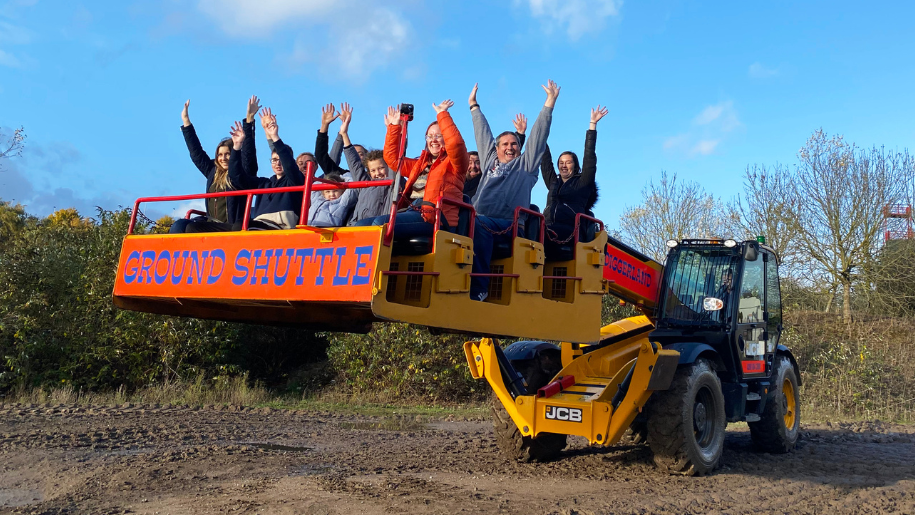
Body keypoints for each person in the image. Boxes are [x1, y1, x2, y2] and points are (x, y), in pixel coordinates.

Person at [468, 80, 560, 301]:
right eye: (505, 144)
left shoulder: (525, 166)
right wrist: (474, 106)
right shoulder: (489, 160)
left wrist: (549, 103)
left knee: (478, 224)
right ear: (497, 148)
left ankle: (479, 289)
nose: (510, 147)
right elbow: (482, 134)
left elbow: (538, 137)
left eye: (514, 144)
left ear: (519, 148)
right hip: (479, 218)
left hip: (508, 225)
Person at [362, 100, 468, 238]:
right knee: (360, 225)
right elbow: (392, 159)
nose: (433, 140)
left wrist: (442, 113)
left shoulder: (456, 164)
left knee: (380, 224)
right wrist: (394, 127)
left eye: (438, 136)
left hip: (435, 218)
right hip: (412, 211)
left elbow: (455, 143)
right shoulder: (420, 164)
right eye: (429, 136)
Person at [187, 108, 303, 232]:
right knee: (192, 227)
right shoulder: (263, 183)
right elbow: (236, 177)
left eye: (281, 160)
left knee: (240, 226)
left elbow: (289, 165)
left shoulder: (295, 181)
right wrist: (236, 148)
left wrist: (274, 137)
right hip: (256, 225)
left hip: (279, 228)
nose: (277, 163)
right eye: (274, 160)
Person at [170, 96, 260, 233]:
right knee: (179, 225)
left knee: (192, 228)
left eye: (228, 154)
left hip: (233, 226)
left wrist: (249, 120)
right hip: (213, 224)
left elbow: (249, 155)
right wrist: (186, 122)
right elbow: (196, 153)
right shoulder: (213, 172)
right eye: (220, 155)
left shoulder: (242, 174)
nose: (223, 158)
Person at [540, 105, 607, 254]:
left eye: (568, 162)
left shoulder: (583, 183)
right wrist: (541, 130)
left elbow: (589, 157)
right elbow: (545, 160)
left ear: (575, 165)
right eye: (561, 163)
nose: (564, 166)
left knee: (542, 234)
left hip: (571, 231)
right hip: (548, 226)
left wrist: (592, 126)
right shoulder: (553, 183)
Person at [330, 103, 404, 226]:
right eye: (373, 170)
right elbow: (354, 163)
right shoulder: (365, 184)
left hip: (379, 226)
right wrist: (344, 133)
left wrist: (394, 130)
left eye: (381, 168)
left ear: (388, 167)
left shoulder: (392, 182)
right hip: (357, 226)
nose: (377, 173)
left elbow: (397, 154)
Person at [465, 114, 527, 198]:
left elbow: (509, 156)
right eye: (469, 162)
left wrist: (520, 134)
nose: (473, 166)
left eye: (477, 162)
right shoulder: (457, 183)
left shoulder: (488, 178)